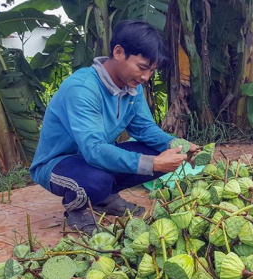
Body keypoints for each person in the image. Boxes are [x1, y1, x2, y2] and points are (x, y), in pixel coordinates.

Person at [30, 20, 197, 234]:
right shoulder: (82, 88)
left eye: (151, 70)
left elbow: (145, 129)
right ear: (118, 52)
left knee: (160, 151)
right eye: (142, 67)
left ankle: (104, 198)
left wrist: (177, 145)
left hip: (95, 158)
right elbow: (94, 150)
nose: (146, 77)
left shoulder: (131, 87)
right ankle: (77, 210)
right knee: (97, 180)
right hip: (58, 164)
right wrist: (154, 164)